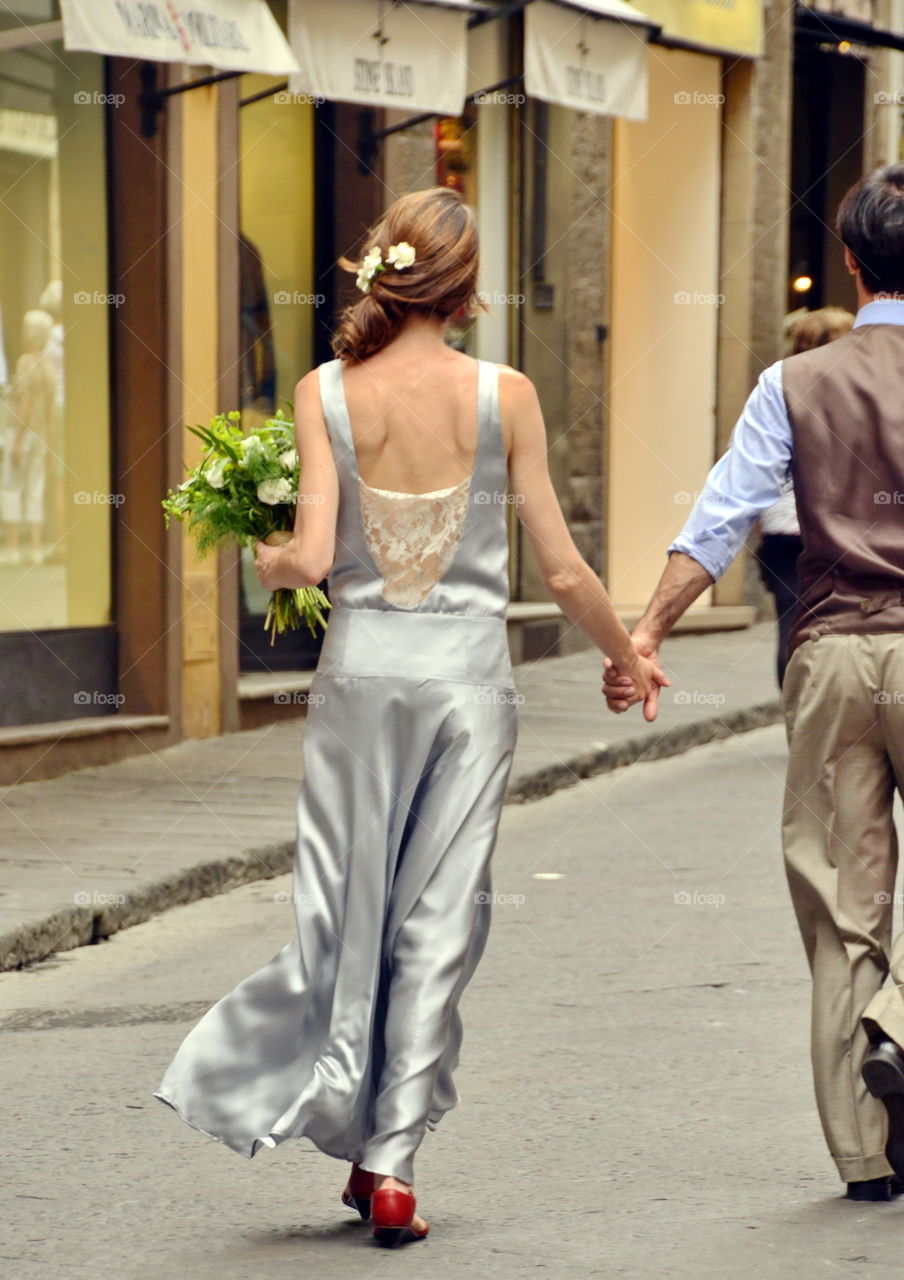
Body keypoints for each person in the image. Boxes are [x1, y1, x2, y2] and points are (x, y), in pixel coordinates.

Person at [153, 187, 666, 1246]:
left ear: (382, 271)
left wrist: (267, 551)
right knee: (440, 913)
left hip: (360, 675)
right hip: (469, 681)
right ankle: (388, 1160)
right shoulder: (505, 394)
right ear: (466, 286)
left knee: (348, 906)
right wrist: (628, 657)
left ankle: (346, 1121)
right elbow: (562, 570)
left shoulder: (326, 392)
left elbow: (308, 550)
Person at [602, 164, 904, 1203]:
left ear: (853, 265)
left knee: (840, 908)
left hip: (826, 658)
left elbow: (720, 516)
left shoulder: (793, 383)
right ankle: (899, 1029)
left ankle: (864, 1154)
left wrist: (643, 630)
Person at [755, 306, 854, 686]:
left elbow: (750, 471)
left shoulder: (775, 393)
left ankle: (802, 724)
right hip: (826, 533)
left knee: (793, 626)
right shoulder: (852, 399)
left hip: (785, 535)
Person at [0, 309, 56, 566]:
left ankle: (12, 547)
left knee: (11, 486)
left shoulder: (25, 362)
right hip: (42, 431)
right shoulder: (48, 364)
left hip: (22, 431)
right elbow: (50, 405)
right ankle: (35, 546)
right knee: (36, 487)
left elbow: (25, 400)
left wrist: (17, 439)